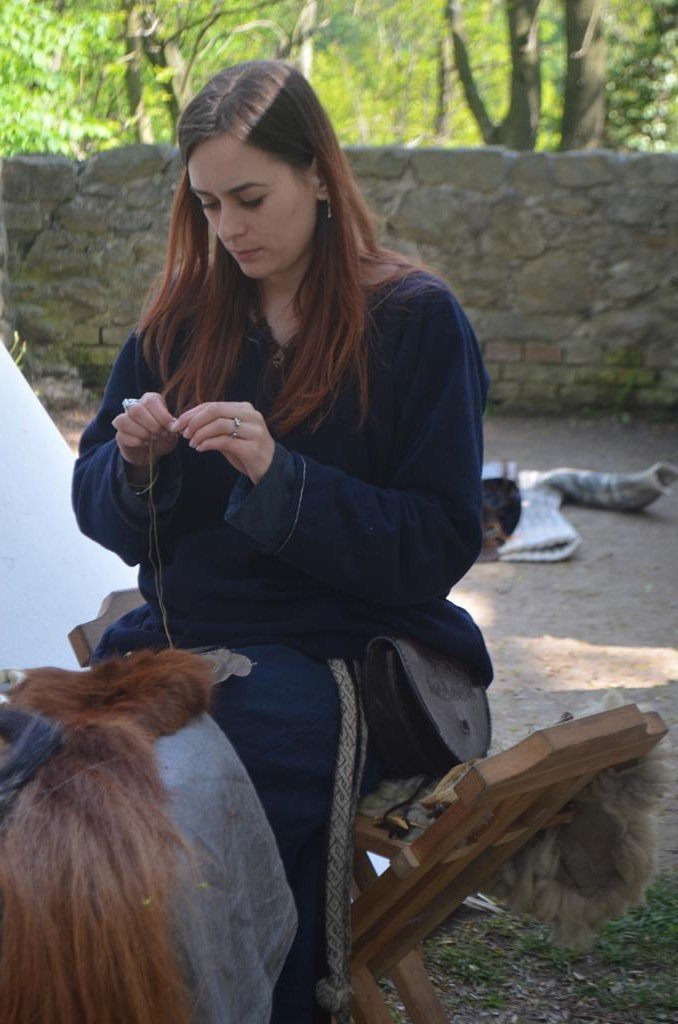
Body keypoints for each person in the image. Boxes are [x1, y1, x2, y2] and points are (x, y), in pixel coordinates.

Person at [72, 59, 492, 1024]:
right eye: (209, 204)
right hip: (176, 648)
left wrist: (281, 477)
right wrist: (133, 465)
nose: (229, 228)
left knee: (172, 817)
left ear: (317, 173)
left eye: (251, 199)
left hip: (339, 664)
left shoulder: (416, 321)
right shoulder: (180, 322)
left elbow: (438, 540)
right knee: (46, 775)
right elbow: (97, 506)